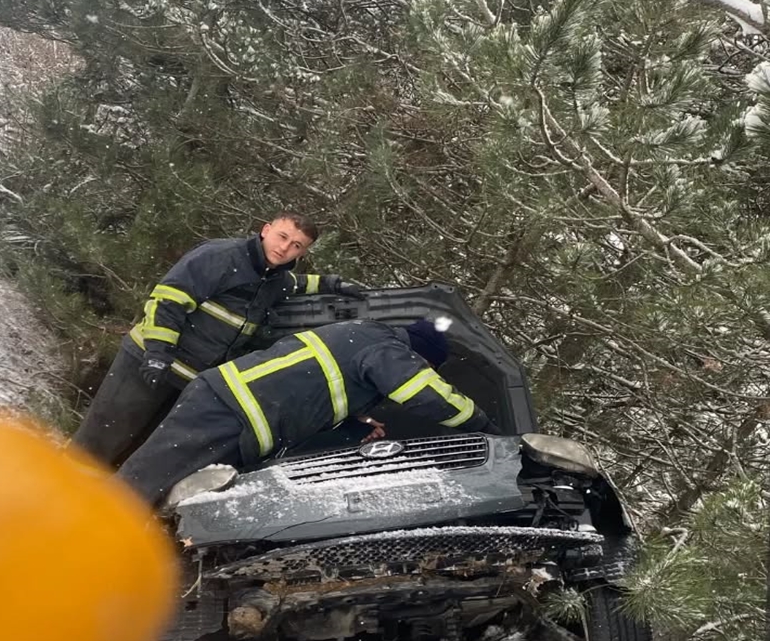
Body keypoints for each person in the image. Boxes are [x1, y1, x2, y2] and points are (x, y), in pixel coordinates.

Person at [72, 213, 365, 466]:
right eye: (282, 236)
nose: (285, 247)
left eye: (296, 245)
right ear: (266, 230)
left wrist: (331, 284)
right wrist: (158, 353)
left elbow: (296, 285)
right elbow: (168, 301)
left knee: (138, 452)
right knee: (100, 440)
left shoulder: (274, 279)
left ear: (302, 253)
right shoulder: (221, 256)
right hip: (147, 362)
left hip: (189, 381)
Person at [117, 318, 498, 506]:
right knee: (142, 484)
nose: (424, 372)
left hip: (235, 409)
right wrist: (483, 426)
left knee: (184, 494)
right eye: (427, 367)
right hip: (228, 407)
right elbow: (422, 393)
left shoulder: (363, 337)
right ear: (420, 355)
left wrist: (354, 423)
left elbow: (318, 389)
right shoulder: (386, 347)